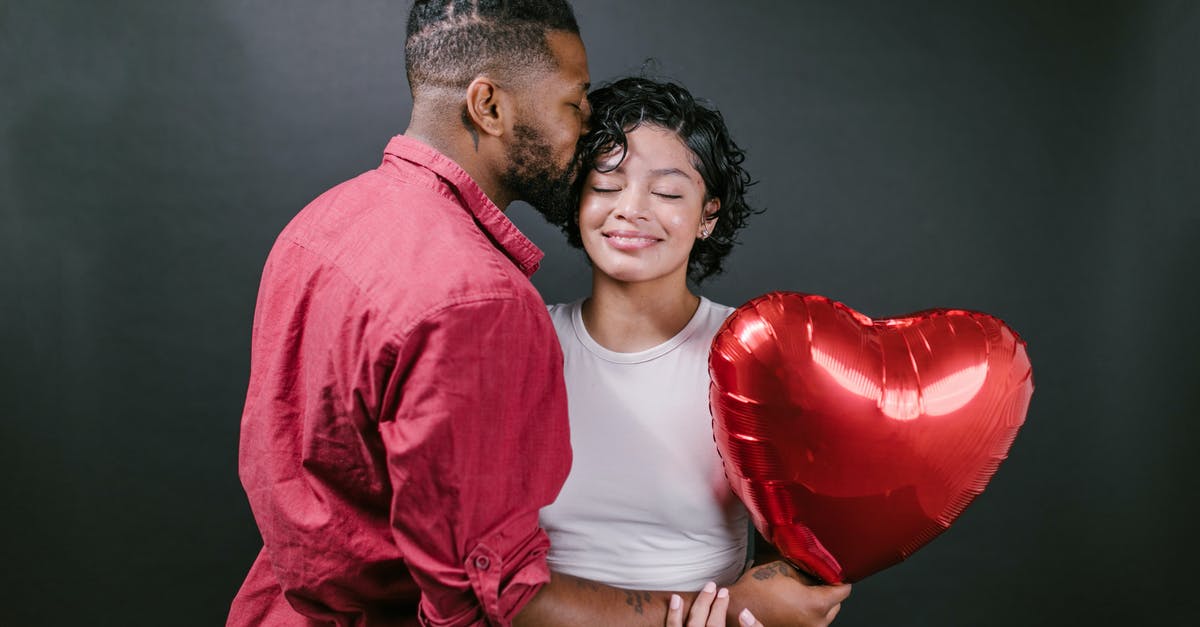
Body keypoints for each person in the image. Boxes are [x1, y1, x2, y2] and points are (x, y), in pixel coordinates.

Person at [230, 0, 846, 623]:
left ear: (708, 212)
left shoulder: (320, 223)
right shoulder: (488, 305)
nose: (581, 127)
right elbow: (492, 598)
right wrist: (733, 608)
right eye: (574, 105)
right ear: (489, 106)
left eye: (665, 191)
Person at [538, 77, 852, 626]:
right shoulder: (522, 340)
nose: (631, 209)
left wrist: (772, 596)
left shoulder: (754, 354)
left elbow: (810, 562)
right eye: (607, 185)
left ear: (708, 214)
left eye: (666, 192)